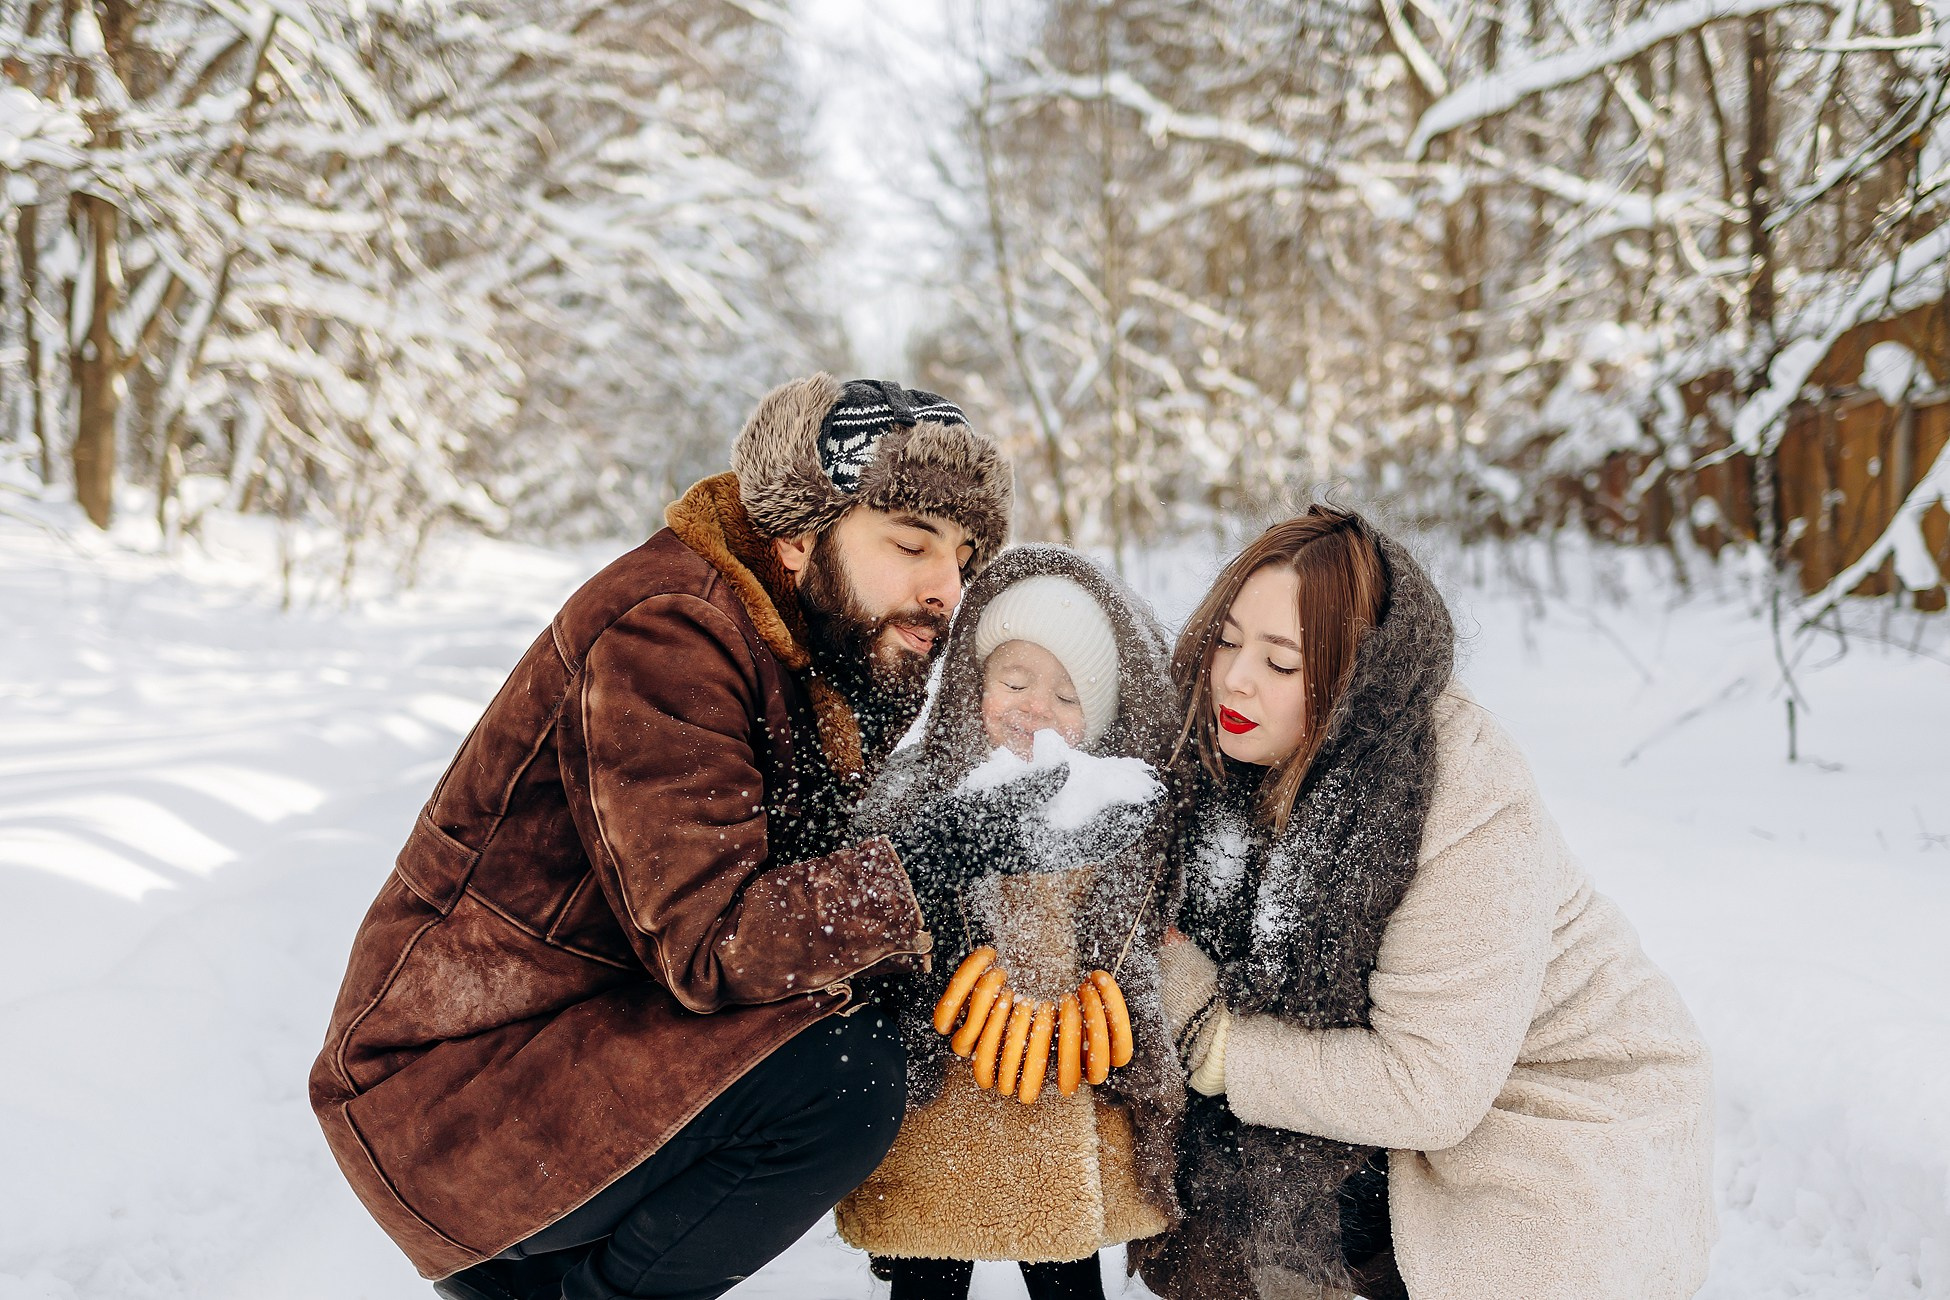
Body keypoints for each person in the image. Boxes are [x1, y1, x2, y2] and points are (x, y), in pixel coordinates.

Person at [309, 375, 1027, 1300]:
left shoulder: (811, 646)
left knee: (884, 1018)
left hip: (564, 1054)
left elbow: (803, 903)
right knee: (844, 1078)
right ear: (800, 534)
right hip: (446, 1096)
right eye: (910, 543)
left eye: (966, 557)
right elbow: (715, 941)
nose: (946, 590)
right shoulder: (673, 630)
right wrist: (930, 866)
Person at [1141, 506, 1716, 1300]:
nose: (1235, 679)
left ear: (1352, 676)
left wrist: (1214, 1040)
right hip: (1414, 1093)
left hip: (1551, 1111)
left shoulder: (1462, 794)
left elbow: (1428, 1087)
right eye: (1229, 640)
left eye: (1281, 663)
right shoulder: (1215, 753)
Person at [834, 546, 1186, 1300]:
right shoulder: (919, 792)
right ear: (975, 682)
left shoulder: (1112, 809)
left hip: (1065, 1076)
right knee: (929, 1261)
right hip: (940, 1098)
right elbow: (868, 899)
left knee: (1061, 1259)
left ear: (1102, 715)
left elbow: (1146, 911)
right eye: (1015, 680)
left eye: (1067, 695)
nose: (1034, 707)